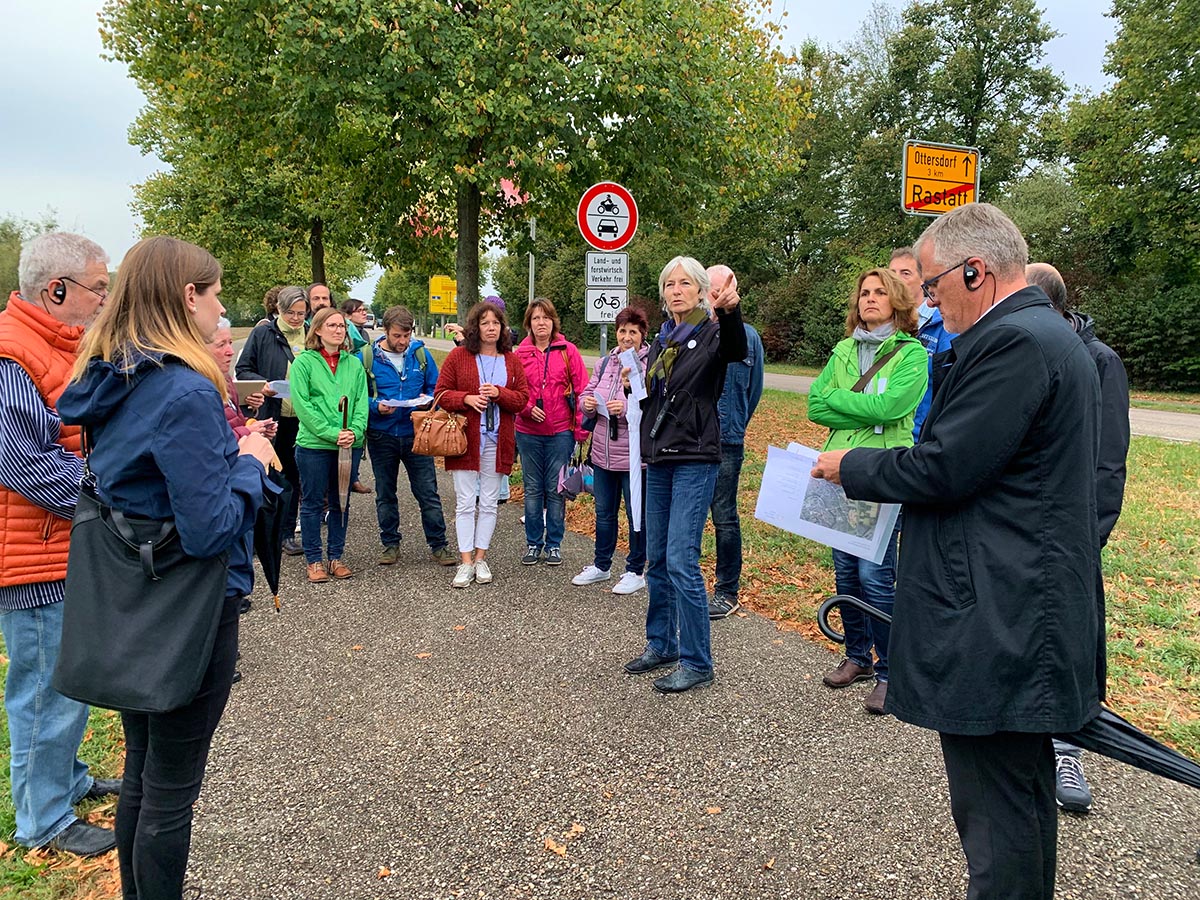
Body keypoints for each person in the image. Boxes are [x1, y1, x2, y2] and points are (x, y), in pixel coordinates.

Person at [811, 203, 1102, 900]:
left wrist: (849, 465)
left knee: (998, 823)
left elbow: (944, 467)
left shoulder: (1017, 343)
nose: (930, 303)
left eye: (935, 286)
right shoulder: (1041, 336)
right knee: (1015, 808)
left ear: (976, 270)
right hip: (1017, 607)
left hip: (1002, 619)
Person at [58, 236, 277, 897]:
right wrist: (248, 465)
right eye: (215, 295)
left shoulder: (116, 376)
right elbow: (210, 529)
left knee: (145, 776)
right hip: (188, 606)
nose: (222, 310)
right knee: (170, 793)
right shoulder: (183, 391)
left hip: (137, 599)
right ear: (189, 297)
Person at [0, 232, 119, 857]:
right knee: (44, 687)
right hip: (33, 558)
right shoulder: (12, 356)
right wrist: (116, 485)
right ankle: (42, 819)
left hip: (57, 548)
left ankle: (66, 782)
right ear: (56, 290)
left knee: (65, 682)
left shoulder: (51, 348)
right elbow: (27, 466)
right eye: (98, 289)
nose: (103, 300)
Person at [1027, 261, 1130, 815]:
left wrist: (1088, 538)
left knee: (1066, 644)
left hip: (1071, 537)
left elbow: (1108, 461)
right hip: (1030, 534)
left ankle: (1068, 747)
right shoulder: (1029, 355)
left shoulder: (1100, 361)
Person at [806, 267, 927, 715]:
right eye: (864, 293)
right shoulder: (843, 349)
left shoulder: (912, 354)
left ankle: (890, 671)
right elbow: (816, 404)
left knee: (877, 575)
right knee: (845, 571)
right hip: (837, 471)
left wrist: (844, 402)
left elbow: (893, 406)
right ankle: (856, 656)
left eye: (879, 292)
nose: (870, 299)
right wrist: (863, 412)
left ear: (896, 300)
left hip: (881, 471)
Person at [623, 256, 746, 694]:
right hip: (659, 459)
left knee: (680, 558)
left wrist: (730, 311)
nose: (676, 290)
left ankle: (698, 661)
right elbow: (655, 398)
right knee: (656, 557)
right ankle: (663, 644)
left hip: (695, 456)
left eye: (684, 284)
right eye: (669, 285)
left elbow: (737, 349)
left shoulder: (713, 334)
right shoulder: (660, 342)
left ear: (699, 291)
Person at [434, 301, 530, 588]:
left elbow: (522, 398)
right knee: (465, 502)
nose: (491, 328)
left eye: (496, 323)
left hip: (498, 440)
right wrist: (466, 399)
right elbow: (440, 394)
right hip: (466, 439)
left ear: (503, 328)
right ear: (475, 328)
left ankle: (480, 558)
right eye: (485, 323)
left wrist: (500, 393)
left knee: (489, 502)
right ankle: (465, 562)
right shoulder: (459, 356)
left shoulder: (511, 360)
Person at [365, 305, 456, 567]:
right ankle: (390, 544)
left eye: (406, 336)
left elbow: (436, 387)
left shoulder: (420, 354)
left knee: (427, 492)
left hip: (417, 433)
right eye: (396, 336)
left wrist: (427, 401)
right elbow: (361, 393)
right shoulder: (368, 357)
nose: (402, 341)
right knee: (385, 492)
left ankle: (439, 545)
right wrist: (376, 406)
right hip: (382, 434)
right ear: (385, 331)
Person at [572, 305, 650, 595]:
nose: (626, 337)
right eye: (622, 331)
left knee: (635, 515)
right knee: (604, 512)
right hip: (602, 453)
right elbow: (587, 392)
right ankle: (601, 565)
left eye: (633, 331)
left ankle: (635, 570)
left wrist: (627, 404)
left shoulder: (649, 363)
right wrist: (587, 403)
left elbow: (650, 403)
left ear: (642, 335)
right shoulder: (606, 363)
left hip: (634, 457)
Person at [290, 307, 369, 583]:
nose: (338, 330)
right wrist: (331, 432)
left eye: (342, 326)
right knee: (312, 503)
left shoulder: (354, 364)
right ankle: (314, 560)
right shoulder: (304, 363)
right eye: (332, 325)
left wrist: (355, 431)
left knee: (341, 503)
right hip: (314, 445)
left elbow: (361, 402)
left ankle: (336, 556)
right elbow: (303, 406)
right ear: (318, 330)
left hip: (348, 445)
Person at [705, 265, 765, 619]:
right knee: (689, 516)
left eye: (726, 290)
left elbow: (753, 390)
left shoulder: (750, 337)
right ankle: (683, 582)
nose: (718, 298)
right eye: (713, 291)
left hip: (728, 440)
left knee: (724, 516)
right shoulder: (693, 333)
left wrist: (736, 423)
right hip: (692, 440)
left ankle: (727, 591)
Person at [513, 298, 589, 567]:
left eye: (545, 318)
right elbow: (512, 392)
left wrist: (581, 428)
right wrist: (526, 407)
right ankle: (534, 543)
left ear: (554, 321)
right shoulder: (519, 354)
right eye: (536, 318)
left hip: (560, 432)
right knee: (533, 489)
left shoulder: (568, 351)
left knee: (556, 489)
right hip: (528, 431)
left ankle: (554, 544)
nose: (541, 323)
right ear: (528, 324)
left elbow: (583, 390)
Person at [236, 285, 308, 555]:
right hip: (270, 416)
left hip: (300, 418)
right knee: (265, 475)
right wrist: (262, 386)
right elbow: (243, 370)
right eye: (291, 312)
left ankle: (287, 534)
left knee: (293, 477)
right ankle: (258, 535)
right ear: (279, 308)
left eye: (302, 313)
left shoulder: (311, 334)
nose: (296, 318)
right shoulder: (263, 333)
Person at [890, 246, 955, 441]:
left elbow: (948, 386)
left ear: (922, 281)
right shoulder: (880, 325)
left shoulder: (944, 324)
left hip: (919, 438)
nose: (896, 280)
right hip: (882, 436)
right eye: (891, 273)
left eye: (905, 273)